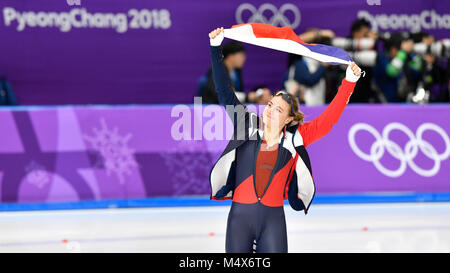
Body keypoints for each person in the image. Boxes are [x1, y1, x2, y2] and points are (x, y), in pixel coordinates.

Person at [208, 27, 361, 253]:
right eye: (270, 105)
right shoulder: (246, 125)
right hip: (239, 220)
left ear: (290, 118)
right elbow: (223, 90)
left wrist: (349, 82)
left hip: (273, 223)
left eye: (278, 109)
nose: (269, 110)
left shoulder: (296, 137)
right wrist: (215, 48)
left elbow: (329, 119)